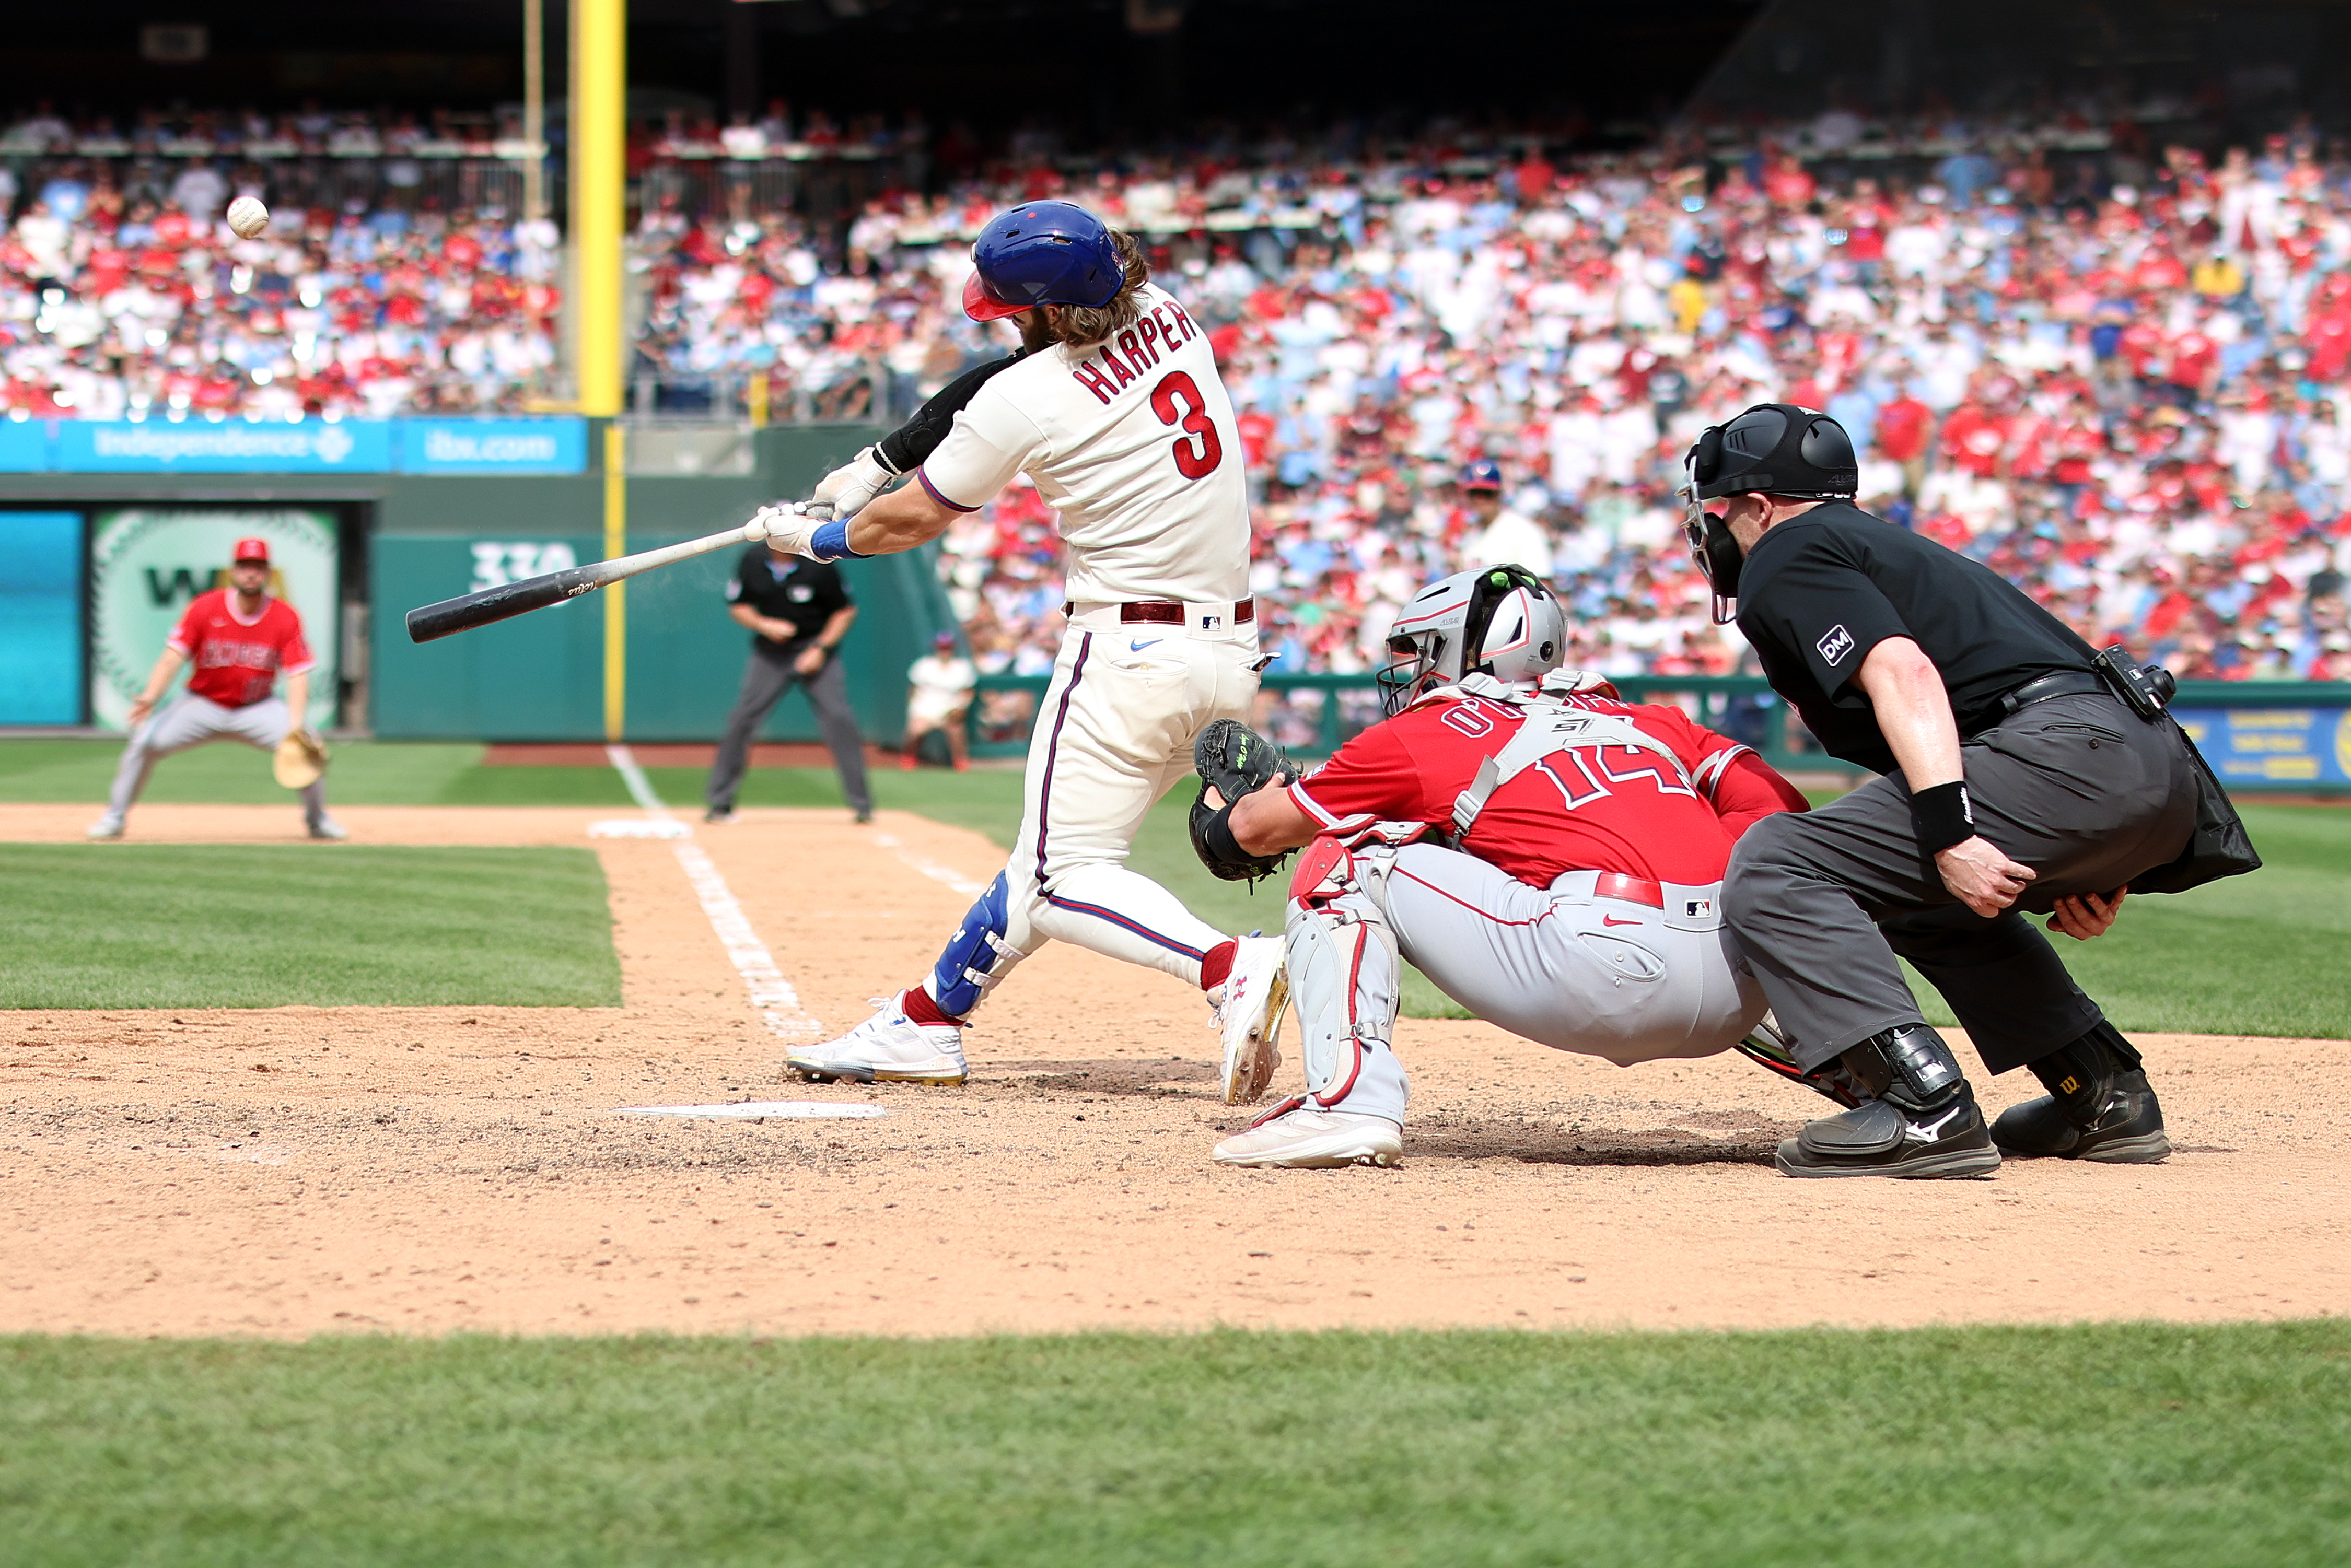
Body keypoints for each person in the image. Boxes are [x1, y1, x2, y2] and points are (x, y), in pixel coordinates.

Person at [759, 199, 1287, 1090]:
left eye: (1014, 307)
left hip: (1127, 653)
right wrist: (876, 462)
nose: (1006, 319)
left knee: (1061, 874)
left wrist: (815, 536)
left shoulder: (1027, 400)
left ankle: (1227, 966)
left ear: (1044, 310)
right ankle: (927, 1021)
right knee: (1045, 861)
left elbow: (916, 516)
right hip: (1228, 655)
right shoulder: (1168, 314)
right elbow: (990, 381)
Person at [1683, 403, 2202, 1179]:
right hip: (2152, 765)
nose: (1716, 527)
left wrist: (1952, 830)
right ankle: (2102, 1092)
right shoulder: (1887, 544)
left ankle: (1922, 1107)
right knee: (1916, 893)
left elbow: (1904, 671)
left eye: (1722, 508)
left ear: (1759, 506)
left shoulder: (1787, 548)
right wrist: (2102, 864)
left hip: (2060, 754)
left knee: (1780, 860)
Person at [1195, 565, 1812, 1167]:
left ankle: (1348, 1101)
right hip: (1742, 988)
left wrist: (1230, 805)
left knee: (1351, 856)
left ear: (1461, 649)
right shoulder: (1647, 720)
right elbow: (1783, 813)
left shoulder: (1433, 726)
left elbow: (1250, 832)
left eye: (1421, 651)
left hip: (1601, 974)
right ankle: (1882, 1081)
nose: (1411, 671)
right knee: (1747, 888)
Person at [88, 536, 345, 842]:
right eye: (245, 566)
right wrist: (151, 696)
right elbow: (173, 658)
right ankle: (114, 818)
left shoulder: (284, 616)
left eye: (258, 567)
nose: (251, 573)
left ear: (268, 573)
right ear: (234, 571)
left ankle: (318, 820)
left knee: (307, 747)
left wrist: (296, 725)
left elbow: (298, 674)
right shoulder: (205, 608)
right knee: (145, 743)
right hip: (202, 705)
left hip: (256, 708)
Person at [704, 547, 870, 825]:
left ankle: (862, 806)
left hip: (815, 651)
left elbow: (845, 611)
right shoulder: (753, 559)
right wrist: (764, 624)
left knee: (839, 717)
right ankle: (720, 803)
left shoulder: (820, 563)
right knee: (741, 720)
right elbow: (738, 604)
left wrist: (819, 648)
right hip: (771, 653)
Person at [901, 630, 977, 770]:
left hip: (950, 709)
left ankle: (961, 761)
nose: (945, 651)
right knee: (915, 731)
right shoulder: (923, 665)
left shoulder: (963, 667)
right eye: (942, 647)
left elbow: (968, 692)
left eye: (948, 647)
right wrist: (913, 710)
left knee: (956, 731)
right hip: (925, 709)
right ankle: (909, 757)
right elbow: (913, 689)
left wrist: (961, 707)